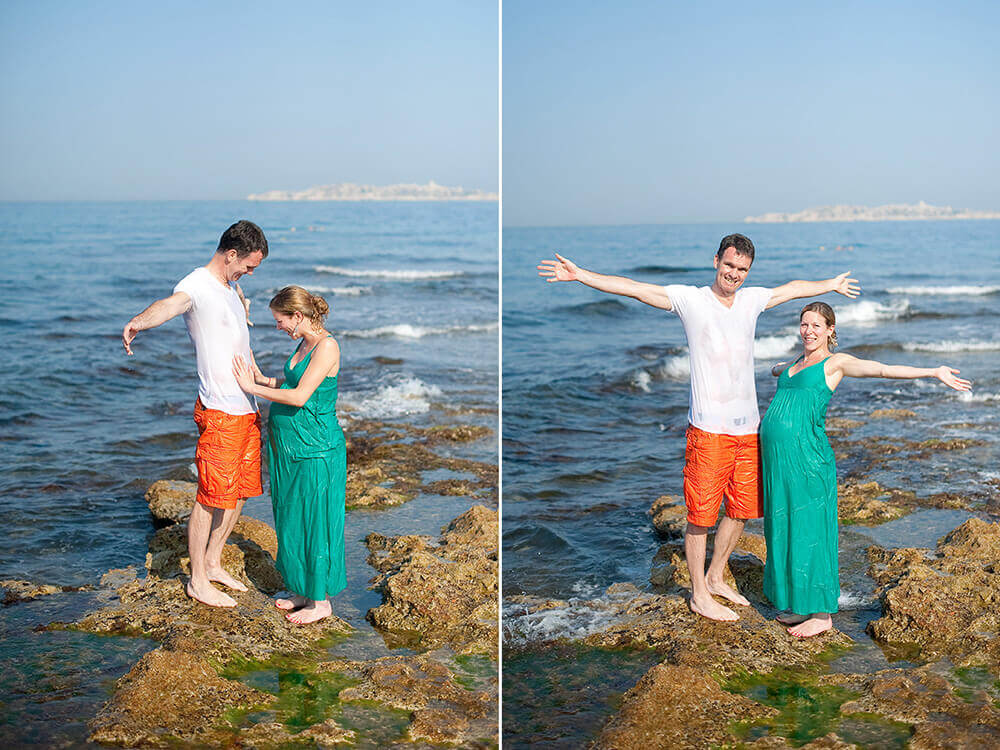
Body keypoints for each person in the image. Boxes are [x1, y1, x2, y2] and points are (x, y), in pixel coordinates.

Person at [538, 234, 860, 622]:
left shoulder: (751, 301)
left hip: (748, 432)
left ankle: (716, 575)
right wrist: (581, 275)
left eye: (742, 269)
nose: (734, 274)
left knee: (741, 511)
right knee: (701, 517)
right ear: (715, 262)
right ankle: (699, 594)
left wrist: (831, 285)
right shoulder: (691, 300)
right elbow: (637, 289)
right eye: (729, 266)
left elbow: (792, 290)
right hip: (708, 431)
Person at [761, 302, 971, 637]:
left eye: (817, 325)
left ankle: (821, 614)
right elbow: (778, 373)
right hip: (780, 464)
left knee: (811, 531)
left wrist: (932, 372)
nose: (809, 331)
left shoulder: (836, 363)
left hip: (808, 462)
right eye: (804, 324)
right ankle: (799, 605)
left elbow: (882, 369)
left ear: (831, 329)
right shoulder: (795, 363)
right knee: (784, 526)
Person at [122, 219, 269, 608]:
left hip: (247, 408)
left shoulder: (232, 287)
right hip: (220, 410)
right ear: (231, 253)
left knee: (238, 494)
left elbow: (240, 340)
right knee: (210, 497)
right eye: (249, 265)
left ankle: (214, 562)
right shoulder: (197, 285)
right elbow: (171, 305)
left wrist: (258, 375)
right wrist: (138, 322)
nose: (250, 273)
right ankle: (198, 580)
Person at [232, 286, 345, 625]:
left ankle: (320, 600)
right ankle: (301, 589)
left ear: (298, 316)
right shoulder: (305, 342)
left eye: (280, 320)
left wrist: (252, 389)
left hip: (316, 450)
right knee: (291, 517)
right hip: (292, 448)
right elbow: (293, 383)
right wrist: (263, 378)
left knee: (315, 521)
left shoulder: (327, 346)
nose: (277, 327)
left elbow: (299, 398)